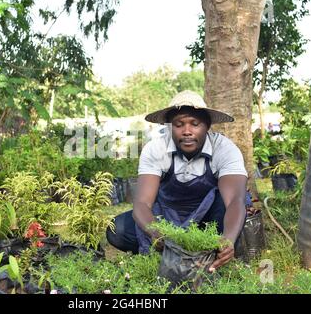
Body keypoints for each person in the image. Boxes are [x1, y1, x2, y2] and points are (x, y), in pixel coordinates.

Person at [106, 90, 248, 272]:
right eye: (179, 125)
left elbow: (235, 201)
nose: (187, 131)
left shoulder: (224, 149)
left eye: (195, 124)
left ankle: (213, 253)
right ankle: (170, 254)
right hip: (166, 221)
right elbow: (141, 203)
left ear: (207, 125)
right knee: (118, 230)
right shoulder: (156, 149)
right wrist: (156, 233)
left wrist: (228, 239)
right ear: (170, 126)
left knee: (230, 208)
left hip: (207, 223)